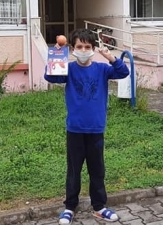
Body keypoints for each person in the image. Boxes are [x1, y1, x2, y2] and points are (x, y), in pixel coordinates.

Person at [44, 29, 130, 224]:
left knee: (97, 170)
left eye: (87, 47)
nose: (83, 50)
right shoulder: (69, 68)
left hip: (96, 129)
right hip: (75, 129)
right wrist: (56, 54)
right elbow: (51, 77)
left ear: (93, 48)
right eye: (79, 47)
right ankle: (70, 207)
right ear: (73, 48)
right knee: (74, 171)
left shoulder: (102, 69)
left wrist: (110, 57)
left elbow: (123, 72)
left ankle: (99, 206)